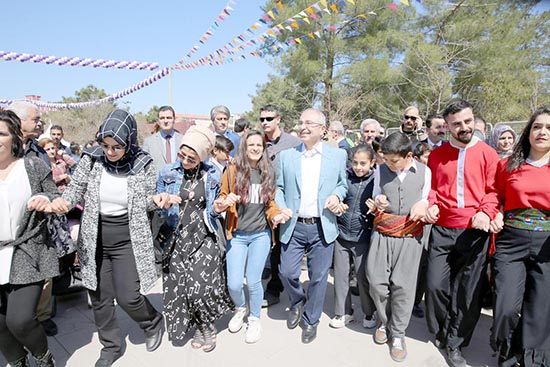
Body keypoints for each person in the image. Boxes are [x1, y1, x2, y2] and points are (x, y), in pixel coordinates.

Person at [49, 110, 166, 367]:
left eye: (117, 147)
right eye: (105, 145)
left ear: (130, 141)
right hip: (95, 241)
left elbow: (146, 200)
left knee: (128, 296)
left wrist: (156, 201)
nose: (110, 152)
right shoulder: (92, 159)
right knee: (100, 298)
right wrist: (62, 202)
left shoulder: (143, 163)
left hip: (127, 240)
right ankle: (111, 346)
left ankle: (152, 321)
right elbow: (74, 190)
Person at [424, 100, 499, 367]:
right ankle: (444, 330)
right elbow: (431, 187)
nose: (464, 127)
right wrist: (430, 204)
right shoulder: (436, 155)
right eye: (457, 123)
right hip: (442, 230)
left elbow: (494, 191)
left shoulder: (489, 154)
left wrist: (486, 212)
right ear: (447, 126)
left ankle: (455, 342)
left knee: (468, 292)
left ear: (473, 119)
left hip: (473, 231)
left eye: (467, 121)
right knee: (434, 286)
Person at [157, 125, 233, 353]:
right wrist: (163, 202)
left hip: (203, 235)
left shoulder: (212, 174)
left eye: (192, 157)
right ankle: (198, 325)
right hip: (176, 237)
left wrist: (219, 208)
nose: (186, 160)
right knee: (182, 288)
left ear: (202, 156)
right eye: (182, 155)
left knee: (201, 288)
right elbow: (156, 205)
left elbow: (214, 208)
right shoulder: (167, 172)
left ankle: (206, 327)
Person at [275, 108, 348, 343]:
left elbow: (342, 184)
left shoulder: (337, 156)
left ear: (323, 130)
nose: (303, 127)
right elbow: (279, 188)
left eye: (309, 123)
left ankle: (310, 320)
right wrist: (281, 206)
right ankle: (297, 301)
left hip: (322, 226)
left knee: (318, 277)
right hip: (293, 226)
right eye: (300, 122)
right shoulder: (287, 156)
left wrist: (337, 196)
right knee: (286, 272)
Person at [214, 130, 289, 344]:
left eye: (259, 145)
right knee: (234, 284)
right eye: (251, 145)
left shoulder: (268, 173)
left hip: (260, 235)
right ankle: (240, 308)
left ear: (263, 149)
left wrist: (276, 215)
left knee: (254, 281)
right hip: (236, 234)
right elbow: (221, 197)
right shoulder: (232, 171)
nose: (255, 148)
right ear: (244, 148)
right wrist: (223, 203)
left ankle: (255, 319)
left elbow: (271, 203)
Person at [489, 106, 550, 367]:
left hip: (547, 243)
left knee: (540, 309)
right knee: (505, 307)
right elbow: (493, 194)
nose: (542, 132)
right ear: (528, 132)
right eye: (537, 126)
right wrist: (494, 212)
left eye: (548, 128)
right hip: (511, 240)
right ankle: (507, 350)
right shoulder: (509, 164)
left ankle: (532, 360)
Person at [366, 132, 431, 362]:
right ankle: (385, 322)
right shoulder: (380, 170)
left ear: (409, 156)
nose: (389, 165)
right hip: (383, 233)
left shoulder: (424, 171)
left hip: (410, 236)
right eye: (386, 159)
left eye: (394, 160)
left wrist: (423, 204)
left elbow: (427, 198)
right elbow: (375, 197)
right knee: (376, 282)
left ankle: (398, 334)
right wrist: (378, 202)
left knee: (403, 286)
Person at [0, 111, 58, 367]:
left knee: (20, 319)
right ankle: (17, 362)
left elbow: (54, 195)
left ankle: (44, 358)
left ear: (13, 137)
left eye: (0, 133)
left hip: (27, 252)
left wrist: (45, 200)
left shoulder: (31, 166)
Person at [329, 144, 377, 330]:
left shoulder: (376, 180)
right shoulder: (345, 177)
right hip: (341, 235)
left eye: (363, 163)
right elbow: (336, 196)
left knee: (362, 277)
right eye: (355, 162)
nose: (358, 167)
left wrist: (374, 210)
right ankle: (343, 312)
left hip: (362, 238)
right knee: (340, 277)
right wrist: (337, 205)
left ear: (372, 162)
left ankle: (368, 312)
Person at [258, 104, 300, 308]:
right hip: (261, 202)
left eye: (269, 118)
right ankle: (272, 284)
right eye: (262, 119)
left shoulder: (293, 143)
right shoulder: (258, 142)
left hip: (285, 203)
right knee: (267, 245)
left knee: (281, 248)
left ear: (278, 119)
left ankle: (276, 287)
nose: (265, 122)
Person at [411, 141, 434, 319]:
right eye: (427, 157)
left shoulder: (434, 173)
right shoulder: (413, 175)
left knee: (424, 264)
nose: (430, 159)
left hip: (431, 225)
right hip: (413, 225)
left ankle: (417, 301)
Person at [142, 105, 183, 173]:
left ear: (174, 119)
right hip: (157, 182)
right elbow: (144, 167)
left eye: (169, 118)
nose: (165, 121)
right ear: (158, 121)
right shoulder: (149, 142)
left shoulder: (183, 140)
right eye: (162, 118)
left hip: (179, 182)